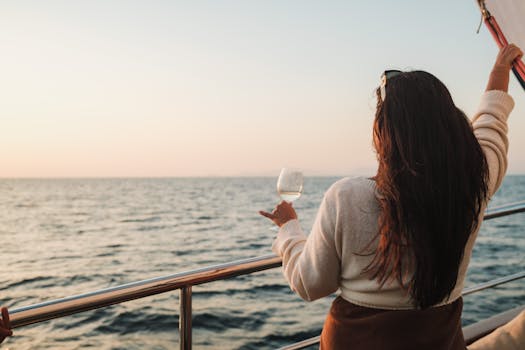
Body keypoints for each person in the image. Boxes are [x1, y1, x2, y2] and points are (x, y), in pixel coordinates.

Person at [260, 44, 523, 350]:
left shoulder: (347, 197)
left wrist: (288, 229)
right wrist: (501, 69)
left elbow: (310, 283)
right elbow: (492, 122)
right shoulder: (472, 185)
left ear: (384, 133)